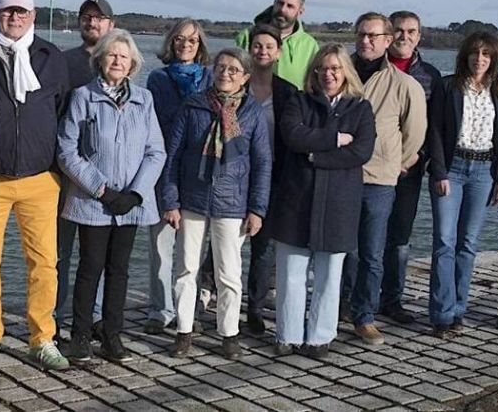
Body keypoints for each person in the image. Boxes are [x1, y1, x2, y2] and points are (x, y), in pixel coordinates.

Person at [0, 0, 71, 370]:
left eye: (22, 12)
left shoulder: (50, 56)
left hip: (40, 179)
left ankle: (42, 337)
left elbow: (61, 108)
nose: (14, 17)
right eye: (8, 11)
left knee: (45, 263)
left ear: (33, 16)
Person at [57, 30, 167, 363]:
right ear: (99, 60)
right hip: (93, 201)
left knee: (119, 270)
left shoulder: (144, 100)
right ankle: (80, 334)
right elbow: (67, 150)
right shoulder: (82, 97)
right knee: (90, 267)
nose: (117, 61)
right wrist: (102, 189)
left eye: (123, 56)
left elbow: (156, 151)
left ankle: (112, 334)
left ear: (133, 63)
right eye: (111, 55)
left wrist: (135, 193)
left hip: (130, 204)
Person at [161, 48, 271, 360]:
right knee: (186, 268)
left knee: (229, 273)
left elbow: (262, 163)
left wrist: (257, 209)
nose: (225, 74)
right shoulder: (193, 106)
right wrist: (170, 201)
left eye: (234, 70)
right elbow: (173, 156)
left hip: (232, 202)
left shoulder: (253, 113)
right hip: (192, 199)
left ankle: (229, 333)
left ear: (245, 77)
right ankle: (184, 330)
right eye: (221, 67)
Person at [271, 44, 375, 357]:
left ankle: (320, 337)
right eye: (323, 68)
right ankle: (288, 334)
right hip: (297, 198)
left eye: (335, 68)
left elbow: (361, 151)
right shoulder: (299, 101)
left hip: (339, 202)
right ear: (314, 72)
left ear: (346, 72)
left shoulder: (361, 108)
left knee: (330, 275)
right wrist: (334, 139)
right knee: (291, 272)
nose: (329, 74)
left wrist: (316, 156)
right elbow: (293, 136)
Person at [343, 12, 427, 346]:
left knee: (372, 253)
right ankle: (341, 306)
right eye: (361, 35)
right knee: (342, 250)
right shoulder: (338, 72)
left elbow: (414, 133)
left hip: (379, 180)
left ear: (387, 40)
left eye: (373, 36)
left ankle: (365, 315)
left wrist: (396, 164)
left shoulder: (405, 85)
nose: (366, 41)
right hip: (341, 176)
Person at [426, 32, 498, 337]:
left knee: (468, 244)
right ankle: (441, 314)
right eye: (475, 53)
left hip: (483, 171)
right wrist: (439, 172)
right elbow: (435, 130)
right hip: (452, 168)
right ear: (465, 56)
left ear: (494, 58)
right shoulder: (448, 86)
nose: (480, 59)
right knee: (444, 242)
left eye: (486, 54)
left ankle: (458, 310)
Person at [143, 18, 213, 334]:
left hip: (198, 171)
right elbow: (154, 122)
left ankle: (190, 308)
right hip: (165, 169)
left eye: (192, 40)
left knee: (192, 250)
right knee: (160, 248)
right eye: (180, 39)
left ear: (200, 46)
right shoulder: (158, 79)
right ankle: (160, 310)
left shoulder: (210, 78)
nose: (186, 44)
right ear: (171, 42)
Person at [379, 10, 445, 325]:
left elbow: (436, 124)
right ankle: (355, 297)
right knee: (364, 234)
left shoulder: (430, 76)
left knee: (400, 236)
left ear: (419, 36)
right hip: (371, 168)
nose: (404, 37)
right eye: (398, 30)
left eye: (411, 31)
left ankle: (391, 299)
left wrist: (419, 156)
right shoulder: (370, 67)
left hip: (411, 169)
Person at [56, 0, 115, 337]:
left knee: (98, 256)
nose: (92, 23)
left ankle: (95, 317)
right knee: (59, 253)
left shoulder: (120, 63)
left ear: (111, 24)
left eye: (99, 18)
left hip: (104, 178)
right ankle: (53, 318)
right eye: (86, 17)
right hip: (64, 174)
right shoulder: (62, 63)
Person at [243, 25, 299, 335]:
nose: (262, 51)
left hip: (273, 178)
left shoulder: (288, 92)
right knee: (224, 244)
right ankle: (211, 299)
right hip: (236, 176)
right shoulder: (237, 86)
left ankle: (254, 308)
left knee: (263, 247)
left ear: (278, 53)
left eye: (268, 46)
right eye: (257, 45)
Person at [235, 0, 320, 88]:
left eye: (290, 6)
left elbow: (316, 84)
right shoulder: (246, 36)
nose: (282, 9)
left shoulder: (310, 46)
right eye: (280, 3)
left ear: (300, 12)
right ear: (274, 3)